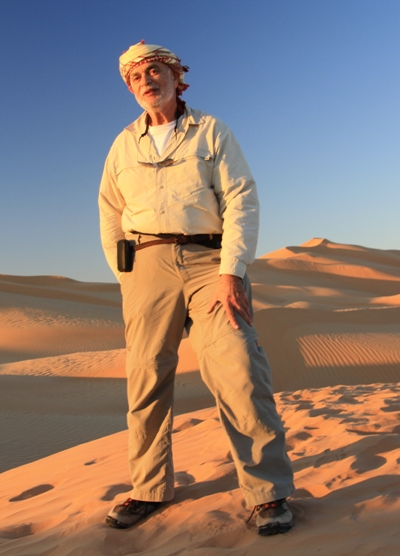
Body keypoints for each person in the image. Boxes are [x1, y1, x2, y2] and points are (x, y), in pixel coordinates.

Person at [98, 41, 295, 536]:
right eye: (137, 75)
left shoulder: (211, 131)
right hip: (147, 267)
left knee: (239, 364)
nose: (147, 80)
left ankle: (267, 493)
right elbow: (110, 213)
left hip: (212, 264)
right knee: (145, 379)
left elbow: (241, 198)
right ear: (129, 85)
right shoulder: (124, 143)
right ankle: (148, 488)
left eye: (156, 70)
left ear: (175, 76)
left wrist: (233, 270)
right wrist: (129, 278)